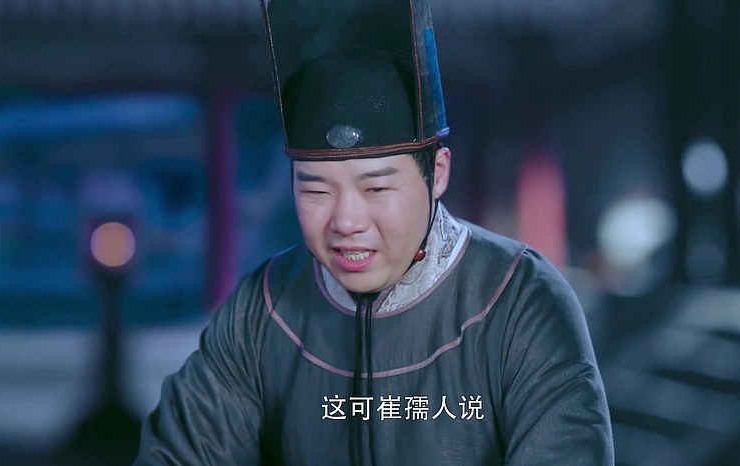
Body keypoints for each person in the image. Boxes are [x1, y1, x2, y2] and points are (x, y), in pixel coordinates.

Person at [135, 0, 613, 464]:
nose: (345, 222)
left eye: (376, 188)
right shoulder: (262, 308)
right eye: (317, 190)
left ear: (438, 173)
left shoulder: (519, 298)